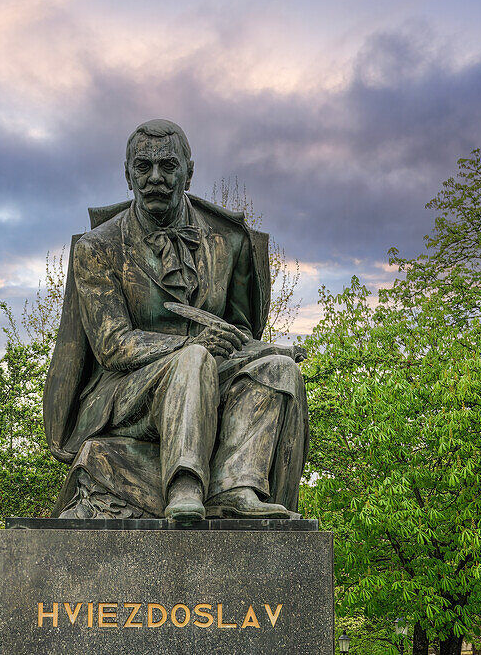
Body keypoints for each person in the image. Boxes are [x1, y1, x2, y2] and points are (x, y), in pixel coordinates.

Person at [43, 119, 308, 522]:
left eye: (167, 166)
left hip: (210, 374)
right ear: (127, 175)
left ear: (189, 172)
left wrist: (257, 348)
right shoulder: (98, 247)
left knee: (278, 370)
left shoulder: (230, 241)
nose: (155, 179)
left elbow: (240, 331)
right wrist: (190, 345)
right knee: (194, 358)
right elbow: (114, 345)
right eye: (143, 168)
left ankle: (237, 485)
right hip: (128, 392)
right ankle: (184, 487)